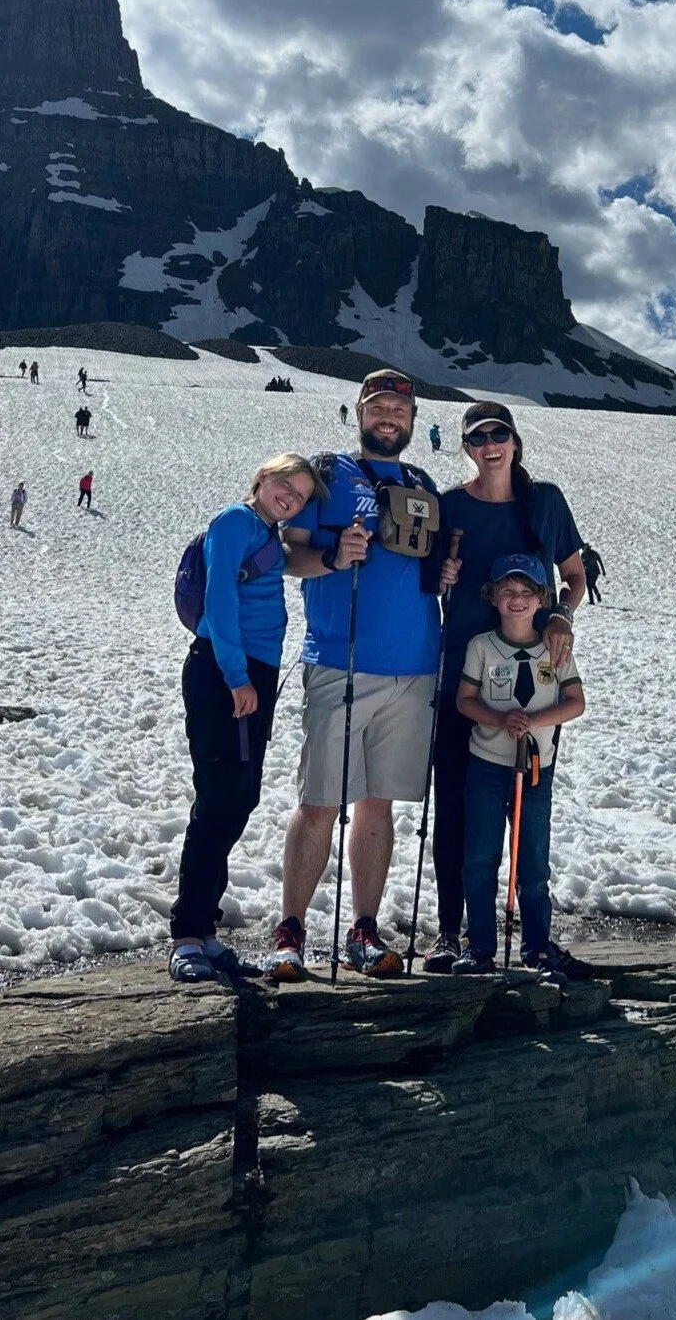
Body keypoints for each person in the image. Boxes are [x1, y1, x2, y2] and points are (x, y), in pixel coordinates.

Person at [269, 368, 456, 981]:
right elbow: (287, 551)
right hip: (339, 660)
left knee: (379, 805)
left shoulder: (423, 482)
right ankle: (291, 929)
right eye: (378, 407)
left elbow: (426, 565)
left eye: (399, 411)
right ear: (359, 411)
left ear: (411, 419)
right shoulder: (326, 474)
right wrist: (329, 556)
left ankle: (364, 929)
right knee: (321, 799)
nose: (389, 419)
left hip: (415, 668)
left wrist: (446, 578)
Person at [423, 400, 586, 974]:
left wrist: (563, 615)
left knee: (524, 804)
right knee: (456, 809)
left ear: (515, 440)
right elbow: (427, 575)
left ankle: (530, 936)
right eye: (478, 437)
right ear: (466, 446)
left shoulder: (543, 502)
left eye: (499, 433)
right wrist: (439, 577)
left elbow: (574, 574)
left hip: (533, 682)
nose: (490, 444)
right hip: (461, 674)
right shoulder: (449, 506)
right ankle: (454, 934)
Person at [170, 453, 325, 983]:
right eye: (287, 485)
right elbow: (219, 598)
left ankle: (204, 931)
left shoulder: (263, 533)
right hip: (223, 672)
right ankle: (188, 934)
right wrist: (236, 676)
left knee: (239, 795)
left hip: (247, 675)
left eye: (301, 495)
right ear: (263, 478)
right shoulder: (235, 521)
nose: (292, 498)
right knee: (219, 797)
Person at [453, 555, 585, 980]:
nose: (517, 600)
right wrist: (499, 720)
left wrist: (533, 723)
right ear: (493, 597)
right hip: (488, 766)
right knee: (479, 858)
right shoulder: (481, 647)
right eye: (508, 591)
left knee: (532, 863)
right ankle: (480, 947)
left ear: (542, 599)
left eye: (528, 592)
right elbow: (465, 700)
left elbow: (575, 702)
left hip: (535, 770)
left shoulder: (555, 648)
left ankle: (537, 945)